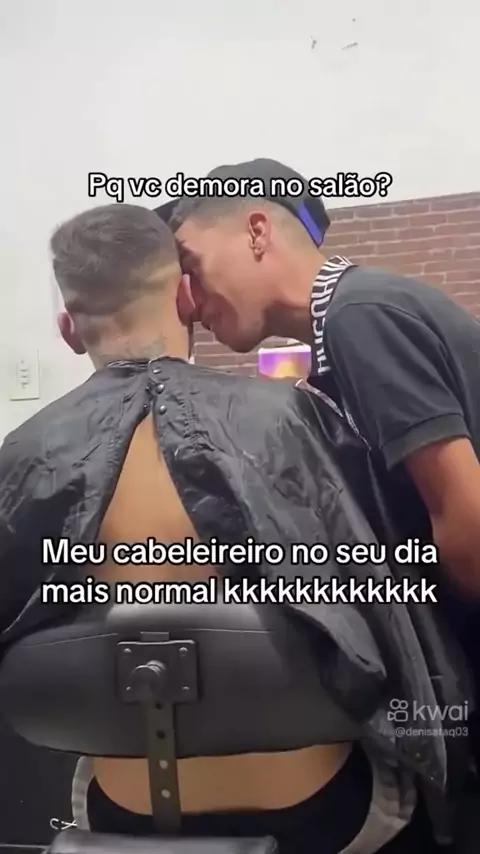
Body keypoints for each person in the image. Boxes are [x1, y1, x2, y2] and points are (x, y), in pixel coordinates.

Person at [0, 204, 455, 852]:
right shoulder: (289, 421)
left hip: (122, 819)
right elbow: (389, 618)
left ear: (69, 330)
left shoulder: (23, 458)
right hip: (318, 817)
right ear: (186, 298)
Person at [166, 158, 480, 678]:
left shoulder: (358, 316)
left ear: (257, 232)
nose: (191, 304)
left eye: (191, 267)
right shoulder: (356, 313)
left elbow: (469, 532)